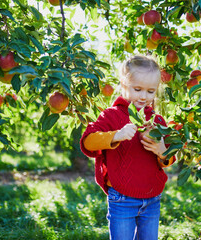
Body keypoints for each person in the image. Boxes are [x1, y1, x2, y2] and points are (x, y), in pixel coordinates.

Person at [80, 55, 175, 240]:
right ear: (124, 84)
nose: (143, 96)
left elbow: (168, 159)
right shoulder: (112, 116)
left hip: (152, 198)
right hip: (122, 198)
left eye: (150, 91)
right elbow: (88, 142)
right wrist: (116, 135)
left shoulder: (157, 121)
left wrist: (162, 150)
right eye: (137, 89)